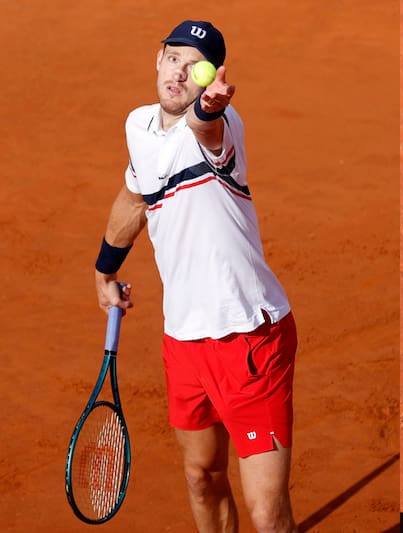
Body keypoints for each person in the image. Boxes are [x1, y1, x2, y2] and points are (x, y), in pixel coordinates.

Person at [94, 20, 298, 533]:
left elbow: (207, 126)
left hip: (249, 338)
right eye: (174, 59)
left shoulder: (221, 128)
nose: (180, 73)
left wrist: (210, 108)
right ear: (158, 58)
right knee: (201, 475)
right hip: (183, 338)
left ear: (211, 78)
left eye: (195, 67)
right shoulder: (138, 126)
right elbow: (135, 198)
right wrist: (105, 270)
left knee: (267, 512)